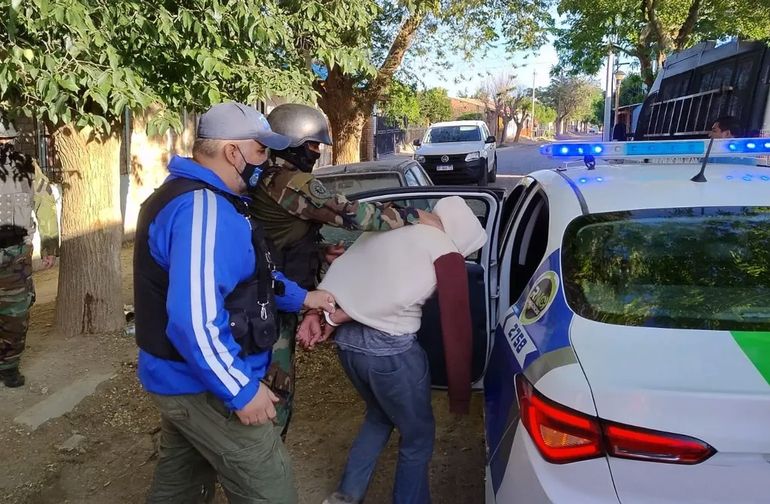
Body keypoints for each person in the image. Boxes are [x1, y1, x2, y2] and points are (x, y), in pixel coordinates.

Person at [134, 102, 336, 504]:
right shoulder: (203, 209)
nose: (266, 161)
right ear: (232, 152)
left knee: (181, 489)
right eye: (260, 151)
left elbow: (251, 274)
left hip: (181, 381)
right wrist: (241, 391)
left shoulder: (203, 198)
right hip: (204, 387)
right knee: (271, 489)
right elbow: (193, 320)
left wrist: (303, 296)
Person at [249, 103, 441, 438]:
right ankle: (264, 458)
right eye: (312, 146)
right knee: (274, 388)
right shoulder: (291, 182)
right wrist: (413, 216)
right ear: (291, 144)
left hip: (273, 292)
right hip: (271, 301)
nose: (317, 152)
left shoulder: (267, 178)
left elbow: (277, 239)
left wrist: (321, 252)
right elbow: (351, 215)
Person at [297, 196, 487, 504]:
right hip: (391, 355)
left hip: (349, 348)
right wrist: (460, 388)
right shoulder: (445, 250)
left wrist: (326, 313)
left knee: (379, 416)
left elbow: (346, 268)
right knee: (418, 438)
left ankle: (345, 496)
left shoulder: (388, 228)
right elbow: (452, 322)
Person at [0, 112, 59, 388]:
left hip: (15, 255)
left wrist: (50, 245)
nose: (3, 144)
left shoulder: (26, 166)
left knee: (16, 314)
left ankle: (9, 366)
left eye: (6, 140)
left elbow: (45, 203)